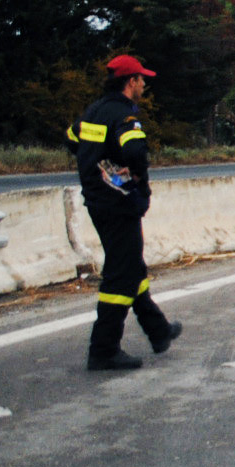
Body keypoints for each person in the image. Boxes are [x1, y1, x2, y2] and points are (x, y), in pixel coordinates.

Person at [67, 55, 181, 371]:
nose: (145, 84)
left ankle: (158, 330)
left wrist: (99, 162)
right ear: (130, 82)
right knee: (121, 275)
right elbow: (134, 151)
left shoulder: (94, 111)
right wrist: (137, 179)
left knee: (130, 265)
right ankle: (103, 349)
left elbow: (72, 137)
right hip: (118, 204)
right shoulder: (124, 116)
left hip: (98, 200)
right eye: (142, 79)